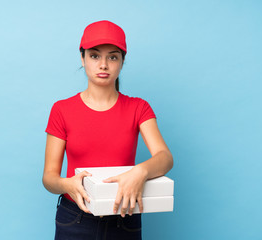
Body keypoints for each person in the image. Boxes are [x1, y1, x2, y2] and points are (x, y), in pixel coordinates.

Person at [42, 20, 173, 240]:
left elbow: (165, 158)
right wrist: (67, 184)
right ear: (82, 59)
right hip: (75, 217)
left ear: (122, 62)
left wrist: (141, 171)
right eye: (94, 56)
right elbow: (48, 178)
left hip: (124, 216)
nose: (103, 65)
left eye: (112, 57)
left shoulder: (138, 107)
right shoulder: (61, 109)